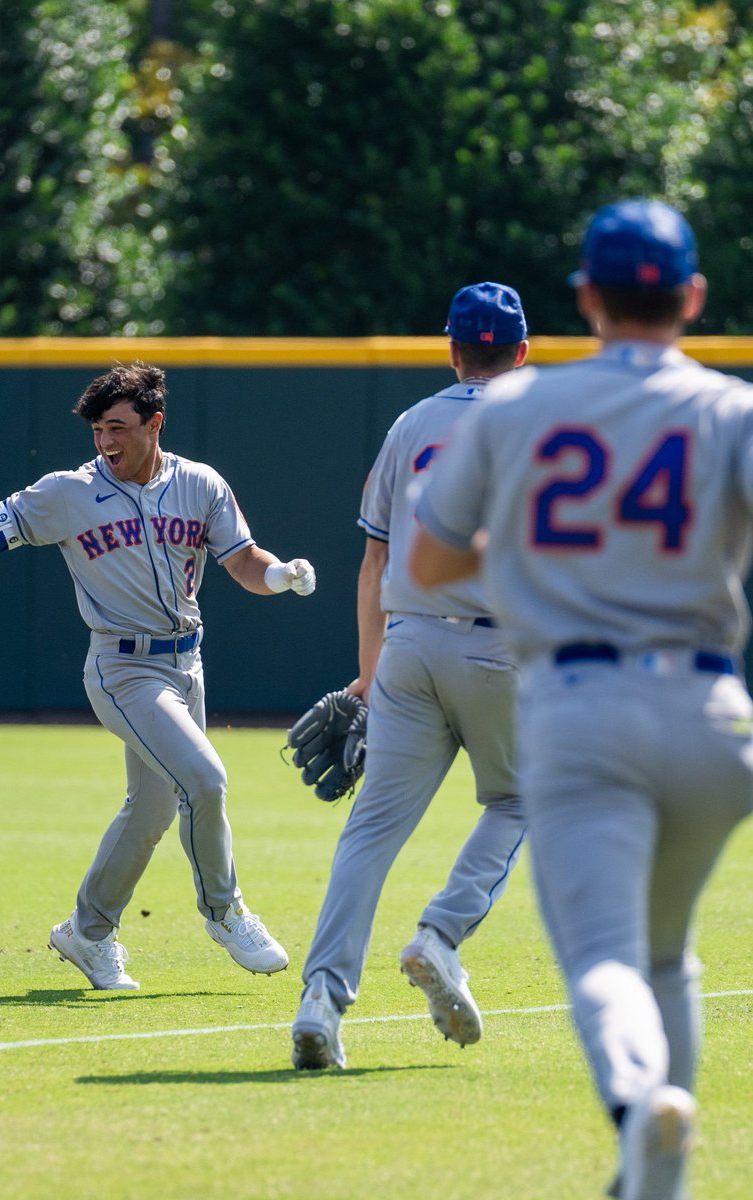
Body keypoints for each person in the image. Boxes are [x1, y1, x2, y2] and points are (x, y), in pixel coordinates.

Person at [409, 200, 753, 1200]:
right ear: (691, 296)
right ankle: (657, 1176)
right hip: (708, 710)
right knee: (667, 953)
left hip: (581, 704)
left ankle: (641, 1109)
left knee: (605, 959)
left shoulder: (519, 407)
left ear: (587, 299)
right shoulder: (731, 409)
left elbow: (429, 559)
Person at [0, 361, 317, 990]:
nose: (105, 441)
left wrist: (279, 574)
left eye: (118, 427)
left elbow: (242, 562)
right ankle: (224, 910)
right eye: (97, 429)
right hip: (123, 669)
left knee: (150, 810)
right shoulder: (68, 491)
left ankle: (88, 933)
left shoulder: (201, 484)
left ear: (156, 424)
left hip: (187, 665)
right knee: (205, 781)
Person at [291, 283, 528, 1071]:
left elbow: (374, 562)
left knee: (370, 833)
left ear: (453, 349)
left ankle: (321, 1000)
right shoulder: (544, 427)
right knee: (520, 799)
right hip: (503, 647)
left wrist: (368, 675)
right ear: (523, 353)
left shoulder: (411, 423)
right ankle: (440, 934)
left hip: (409, 644)